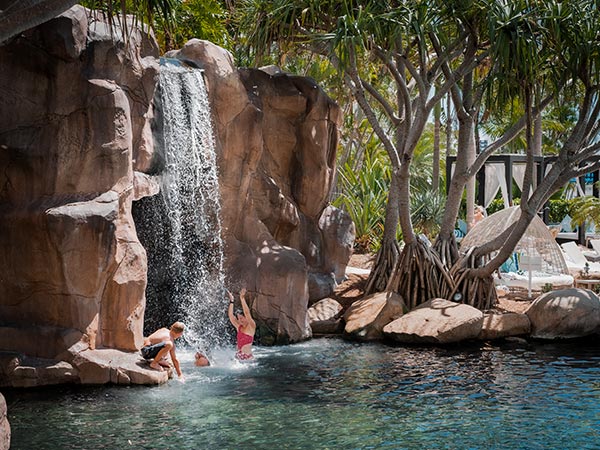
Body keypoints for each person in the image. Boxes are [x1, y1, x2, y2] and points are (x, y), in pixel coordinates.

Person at [227, 287, 256, 360]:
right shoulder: (238, 327)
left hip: (247, 360)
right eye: (239, 319)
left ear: (246, 318)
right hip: (238, 358)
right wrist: (232, 301)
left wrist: (242, 298)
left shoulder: (251, 326)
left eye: (241, 318)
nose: (240, 320)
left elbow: (247, 313)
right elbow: (231, 316)